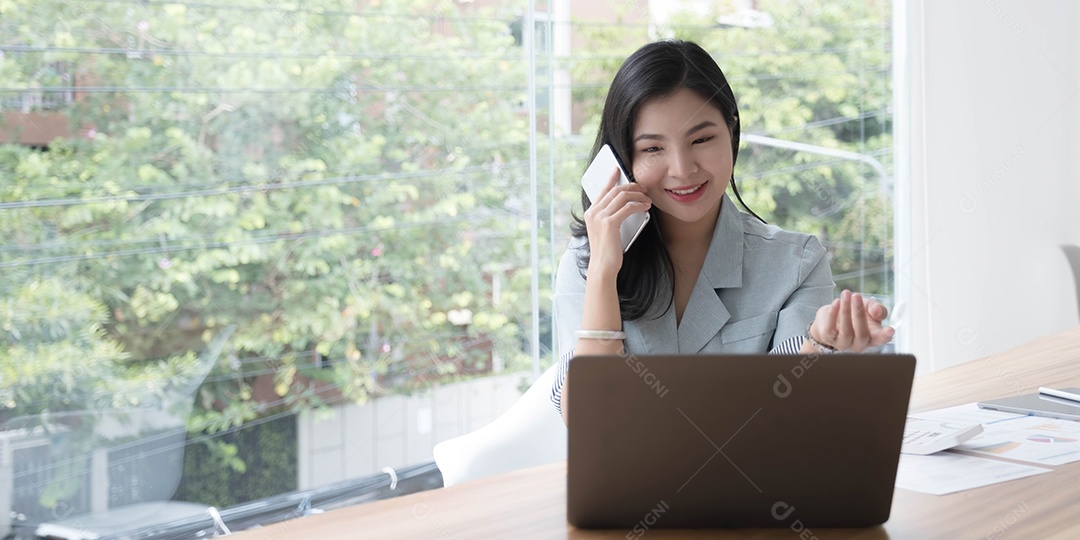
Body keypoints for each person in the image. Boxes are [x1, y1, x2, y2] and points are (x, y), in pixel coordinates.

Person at [550, 40, 894, 424]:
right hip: (628, 482)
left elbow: (786, 415)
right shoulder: (586, 261)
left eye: (701, 139)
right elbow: (586, 420)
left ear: (731, 131)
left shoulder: (796, 262)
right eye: (653, 149)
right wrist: (603, 272)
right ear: (622, 159)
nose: (682, 169)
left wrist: (820, 343)